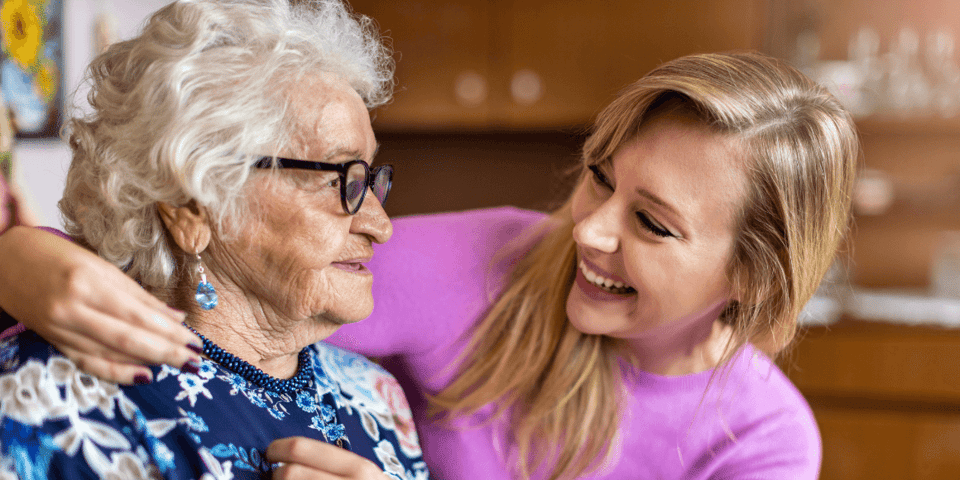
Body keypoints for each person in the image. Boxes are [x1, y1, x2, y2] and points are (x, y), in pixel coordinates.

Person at [0, 51, 859, 479]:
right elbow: (232, 274)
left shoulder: (763, 442)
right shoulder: (494, 260)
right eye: (600, 176)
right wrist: (20, 260)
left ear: (752, 277)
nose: (590, 230)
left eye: (652, 225)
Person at [0, 0, 431, 478]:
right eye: (340, 178)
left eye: (370, 178)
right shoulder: (47, 404)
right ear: (191, 207)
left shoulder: (377, 398)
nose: (380, 223)